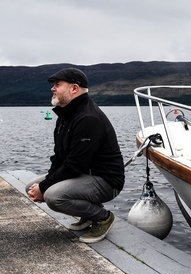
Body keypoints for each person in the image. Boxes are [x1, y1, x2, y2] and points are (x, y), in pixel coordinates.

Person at [26, 67, 125, 243]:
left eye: (57, 85)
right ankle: (88, 215)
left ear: (74, 88)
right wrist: (43, 184)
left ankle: (103, 217)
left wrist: (45, 188)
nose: (52, 88)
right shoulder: (66, 115)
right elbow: (59, 157)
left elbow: (75, 165)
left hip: (106, 181)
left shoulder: (88, 118)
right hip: (83, 174)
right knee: (31, 186)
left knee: (53, 196)